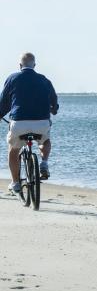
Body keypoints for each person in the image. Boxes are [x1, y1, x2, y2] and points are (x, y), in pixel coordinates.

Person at [0, 52, 59, 194]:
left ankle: (15, 183)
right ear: (34, 65)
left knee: (13, 150)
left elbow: (4, 102)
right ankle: (44, 163)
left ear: (20, 65)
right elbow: (54, 101)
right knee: (45, 141)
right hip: (41, 123)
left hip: (19, 124)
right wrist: (53, 110)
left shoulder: (12, 78)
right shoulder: (44, 79)